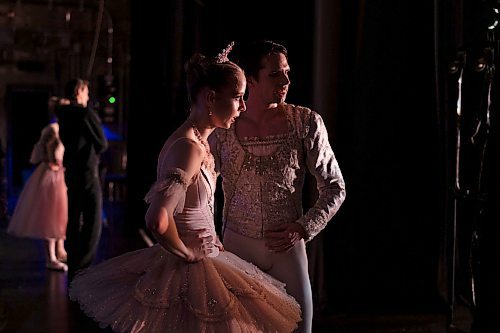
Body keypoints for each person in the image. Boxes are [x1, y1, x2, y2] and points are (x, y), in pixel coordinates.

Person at [68, 43, 301, 332]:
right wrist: (188, 253)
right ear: (210, 97)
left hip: (207, 260)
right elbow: (157, 219)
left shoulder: (199, 142)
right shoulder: (188, 148)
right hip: (191, 270)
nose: (243, 106)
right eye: (238, 97)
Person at [209, 40, 346, 333]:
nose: (285, 80)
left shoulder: (305, 122)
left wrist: (303, 227)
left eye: (286, 72)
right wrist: (208, 237)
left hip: (288, 250)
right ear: (251, 79)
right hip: (235, 251)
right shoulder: (223, 128)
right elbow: (203, 187)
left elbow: (335, 186)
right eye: (274, 74)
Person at [54, 78, 108, 279]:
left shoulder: (63, 114)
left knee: (74, 216)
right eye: (86, 91)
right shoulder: (85, 114)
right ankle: (84, 265)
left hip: (71, 170)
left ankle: (74, 261)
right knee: (93, 220)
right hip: (87, 170)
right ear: (79, 92)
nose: (88, 96)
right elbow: (102, 143)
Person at [7, 122, 68, 271]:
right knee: (50, 215)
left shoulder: (65, 128)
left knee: (60, 215)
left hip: (59, 175)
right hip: (51, 176)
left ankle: (60, 251)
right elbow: (48, 152)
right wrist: (55, 161)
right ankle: (51, 258)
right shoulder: (54, 129)